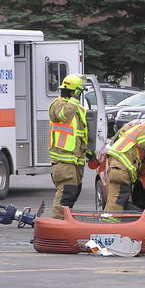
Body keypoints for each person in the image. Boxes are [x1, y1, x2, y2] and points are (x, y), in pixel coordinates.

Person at [48, 74, 91, 219]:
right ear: (73, 92)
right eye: (79, 92)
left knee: (74, 191)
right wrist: (74, 99)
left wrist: (87, 150)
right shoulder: (59, 104)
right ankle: (56, 224)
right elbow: (64, 115)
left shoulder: (76, 108)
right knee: (66, 192)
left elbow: (79, 133)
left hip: (75, 159)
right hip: (63, 160)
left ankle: (65, 220)